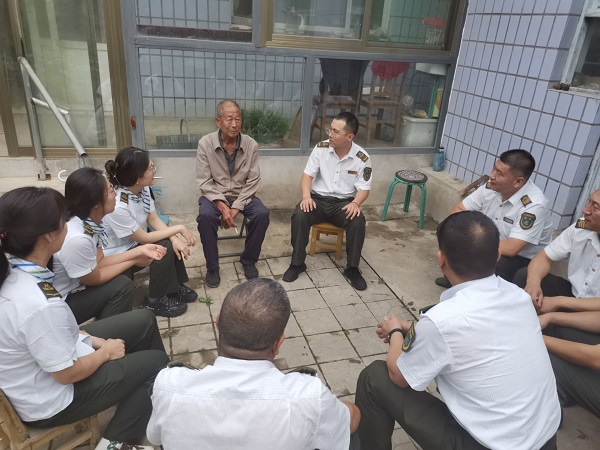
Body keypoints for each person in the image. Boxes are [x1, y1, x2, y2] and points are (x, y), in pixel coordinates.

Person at [355, 211, 560, 450]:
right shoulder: (519, 297)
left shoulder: (443, 320)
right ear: (497, 254)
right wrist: (409, 326)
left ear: (441, 259)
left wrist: (394, 334)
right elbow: (469, 335)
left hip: (490, 446)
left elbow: (399, 377)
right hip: (546, 439)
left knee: (374, 378)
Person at [0, 187, 169, 450]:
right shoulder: (35, 303)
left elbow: (49, 334)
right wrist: (105, 353)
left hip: (57, 357)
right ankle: (115, 442)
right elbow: (66, 374)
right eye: (63, 220)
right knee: (156, 363)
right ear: (48, 235)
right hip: (53, 399)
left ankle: (152, 395)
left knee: (144, 320)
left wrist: (94, 341)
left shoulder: (16, 267)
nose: (68, 225)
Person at [147, 278, 360, 449]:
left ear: (218, 323)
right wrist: (345, 408)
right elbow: (350, 422)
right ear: (278, 344)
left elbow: (155, 437)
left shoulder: (170, 385)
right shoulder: (310, 396)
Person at [514, 188, 600, 417]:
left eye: (596, 207)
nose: (585, 210)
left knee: (557, 340)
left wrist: (556, 307)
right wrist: (533, 284)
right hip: (576, 297)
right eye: (589, 202)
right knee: (525, 277)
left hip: (591, 311)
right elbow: (544, 257)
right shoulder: (582, 227)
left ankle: (546, 364)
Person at [52, 167, 167, 324]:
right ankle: (108, 332)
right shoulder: (78, 238)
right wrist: (135, 259)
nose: (116, 194)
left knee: (121, 274)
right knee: (121, 285)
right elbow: (94, 279)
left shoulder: (90, 222)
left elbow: (100, 261)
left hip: (77, 286)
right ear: (95, 203)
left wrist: (140, 251)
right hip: (61, 302)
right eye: (111, 190)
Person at [435, 149, 552, 288]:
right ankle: (455, 279)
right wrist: (467, 239)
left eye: (499, 173)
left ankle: (480, 293)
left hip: (519, 258)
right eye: (494, 168)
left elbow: (512, 248)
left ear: (517, 182)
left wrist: (473, 243)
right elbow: (457, 211)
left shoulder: (534, 205)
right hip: (489, 243)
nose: (492, 175)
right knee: (446, 229)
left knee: (495, 264)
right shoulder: (491, 187)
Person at [104, 147, 197, 318]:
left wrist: (174, 238)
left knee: (169, 243)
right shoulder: (118, 204)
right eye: (151, 168)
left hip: (134, 243)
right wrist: (179, 228)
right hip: (118, 255)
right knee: (161, 247)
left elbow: (153, 219)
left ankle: (173, 287)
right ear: (137, 178)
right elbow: (145, 237)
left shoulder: (142, 189)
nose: (154, 170)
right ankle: (155, 301)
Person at [283, 112, 371, 290]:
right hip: (318, 201)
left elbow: (364, 188)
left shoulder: (362, 157)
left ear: (349, 137)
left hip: (343, 204)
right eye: (330, 129)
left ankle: (352, 269)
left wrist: (355, 203)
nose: (330, 134)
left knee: (358, 220)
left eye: (335, 132)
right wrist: (306, 197)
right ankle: (297, 263)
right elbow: (307, 176)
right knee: (300, 214)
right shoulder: (321, 148)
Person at [196, 100, 270, 288]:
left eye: (238, 119)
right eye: (229, 119)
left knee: (262, 214)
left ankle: (249, 260)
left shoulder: (251, 144)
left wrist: (235, 208)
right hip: (214, 195)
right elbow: (204, 181)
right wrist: (222, 207)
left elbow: (253, 180)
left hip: (242, 194)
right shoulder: (205, 143)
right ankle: (212, 267)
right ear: (218, 121)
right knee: (205, 217)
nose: (234, 124)